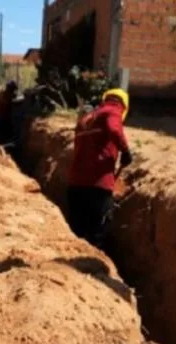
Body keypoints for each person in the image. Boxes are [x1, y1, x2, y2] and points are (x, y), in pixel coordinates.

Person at [66, 88, 131, 248]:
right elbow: (114, 128)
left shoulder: (86, 118)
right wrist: (125, 150)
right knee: (96, 235)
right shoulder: (113, 111)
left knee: (77, 233)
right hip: (97, 186)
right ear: (124, 105)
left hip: (74, 185)